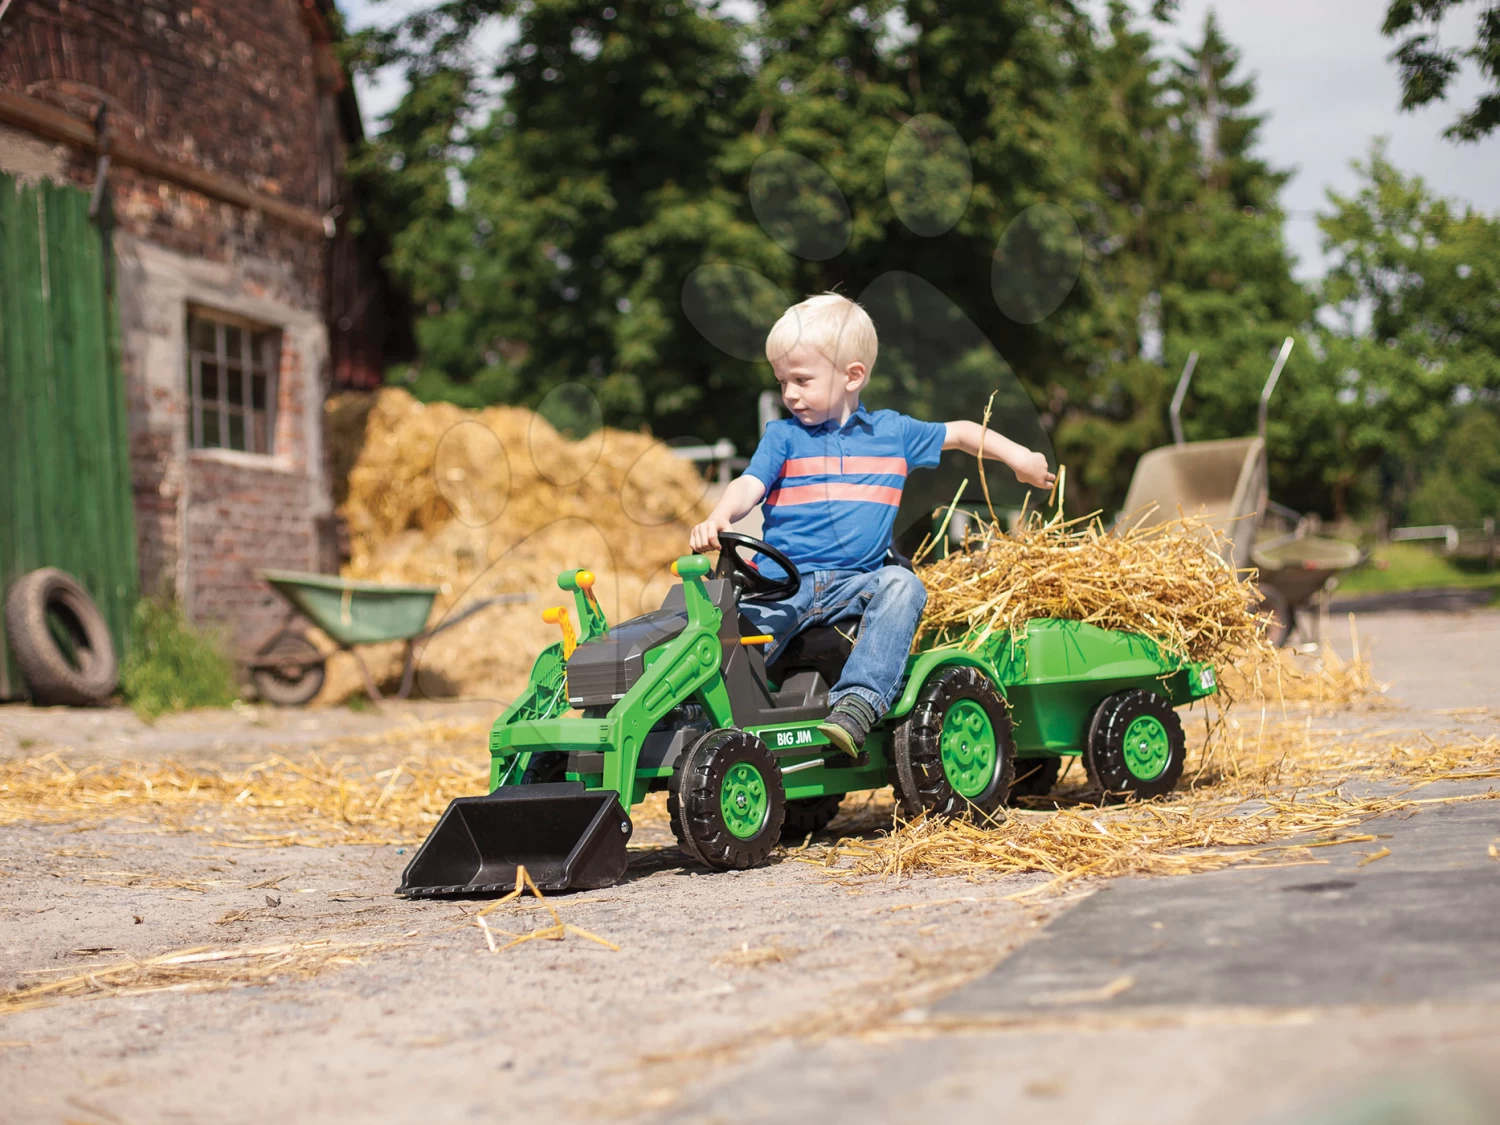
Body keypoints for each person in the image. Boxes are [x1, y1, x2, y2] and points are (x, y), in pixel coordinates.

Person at [688, 292, 1056, 757]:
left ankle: (858, 703)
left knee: (903, 585)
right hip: (783, 585)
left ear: (853, 376)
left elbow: (963, 432)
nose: (790, 394)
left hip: (855, 585)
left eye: (801, 379)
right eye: (782, 381)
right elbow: (749, 484)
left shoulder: (893, 434)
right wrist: (720, 515)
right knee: (718, 640)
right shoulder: (783, 437)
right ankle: (699, 721)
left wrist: (1021, 458)